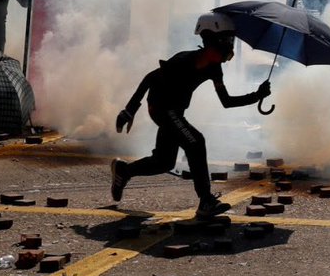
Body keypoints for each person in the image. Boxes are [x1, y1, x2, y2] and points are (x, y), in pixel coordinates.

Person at [111, 11, 270, 220]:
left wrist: (257, 95)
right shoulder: (183, 61)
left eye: (230, 40)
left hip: (174, 112)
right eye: (225, 40)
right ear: (209, 40)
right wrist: (129, 110)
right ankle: (206, 201)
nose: (229, 46)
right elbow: (150, 78)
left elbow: (226, 101)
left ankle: (124, 171)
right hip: (160, 108)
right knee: (195, 142)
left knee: (164, 162)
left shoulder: (214, 68)